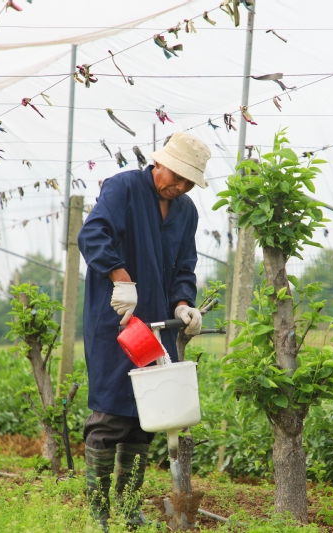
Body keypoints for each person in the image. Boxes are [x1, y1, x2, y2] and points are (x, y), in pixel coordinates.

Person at [77, 131, 211, 529]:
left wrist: (184, 304)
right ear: (159, 162)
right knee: (109, 417)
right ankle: (99, 515)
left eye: (189, 182)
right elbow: (93, 234)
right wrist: (119, 276)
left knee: (146, 417)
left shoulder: (186, 212)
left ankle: (128, 509)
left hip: (158, 328)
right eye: (177, 176)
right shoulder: (123, 189)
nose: (181, 186)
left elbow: (184, 266)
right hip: (117, 320)